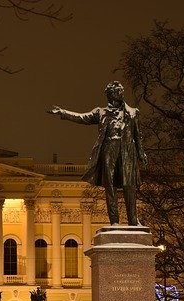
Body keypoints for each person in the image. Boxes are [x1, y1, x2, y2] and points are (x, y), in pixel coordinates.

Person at [46, 81, 148, 226]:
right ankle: (114, 221)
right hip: (108, 149)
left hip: (127, 151)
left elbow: (137, 135)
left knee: (129, 185)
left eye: (118, 92)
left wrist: (141, 152)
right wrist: (63, 112)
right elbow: (82, 117)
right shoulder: (101, 112)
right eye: (114, 92)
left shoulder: (132, 112)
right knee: (110, 185)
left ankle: (133, 220)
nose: (118, 94)